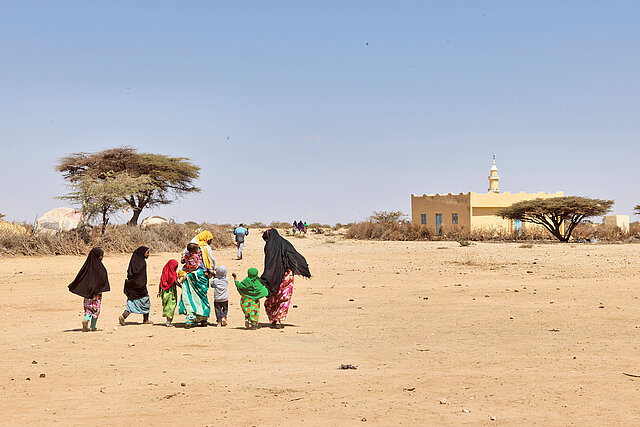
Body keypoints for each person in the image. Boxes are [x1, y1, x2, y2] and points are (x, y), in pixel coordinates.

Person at [260, 228, 311, 329]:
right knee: (284, 297)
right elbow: (294, 256)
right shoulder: (285, 244)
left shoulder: (269, 246)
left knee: (274, 298)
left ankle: (275, 318)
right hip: (287, 276)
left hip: (274, 277)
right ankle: (278, 319)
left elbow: (269, 264)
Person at [68, 247, 110, 332]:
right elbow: (102, 279)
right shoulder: (100, 268)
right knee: (96, 309)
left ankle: (86, 319)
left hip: (87, 293)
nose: (102, 257)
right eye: (101, 255)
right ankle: (92, 327)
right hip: (97, 294)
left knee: (88, 308)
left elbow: (80, 277)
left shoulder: (87, 267)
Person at [119, 246, 152, 325]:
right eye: (147, 252)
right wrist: (142, 285)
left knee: (131, 303)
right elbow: (141, 277)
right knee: (146, 302)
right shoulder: (142, 263)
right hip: (140, 287)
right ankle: (145, 320)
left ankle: (123, 316)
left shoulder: (133, 261)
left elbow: (130, 273)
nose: (149, 254)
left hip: (132, 286)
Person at [157, 259, 179, 327]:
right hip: (171, 293)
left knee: (166, 306)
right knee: (171, 306)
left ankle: (168, 320)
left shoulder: (164, 273)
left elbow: (160, 283)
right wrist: (182, 286)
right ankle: (169, 321)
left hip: (164, 293)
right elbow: (176, 282)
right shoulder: (173, 274)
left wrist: (159, 292)